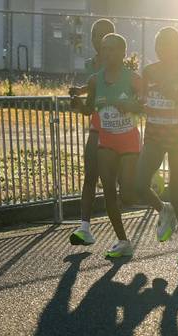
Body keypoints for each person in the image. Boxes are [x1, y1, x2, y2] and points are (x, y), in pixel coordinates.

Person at [134, 27, 178, 263]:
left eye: (170, 45)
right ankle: (163, 210)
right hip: (154, 136)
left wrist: (175, 99)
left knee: (177, 193)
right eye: (161, 45)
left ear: (177, 48)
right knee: (139, 184)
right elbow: (141, 102)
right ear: (156, 48)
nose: (165, 49)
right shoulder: (149, 71)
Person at [83, 33, 144, 259]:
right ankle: (123, 240)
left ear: (123, 53)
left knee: (128, 194)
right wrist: (77, 105)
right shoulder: (94, 80)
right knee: (108, 189)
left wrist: (129, 104)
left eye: (112, 49)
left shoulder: (133, 78)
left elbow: (144, 105)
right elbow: (89, 109)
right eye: (104, 49)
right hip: (106, 140)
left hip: (128, 139)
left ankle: (161, 207)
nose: (107, 53)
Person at [67, 18, 116, 246]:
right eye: (95, 35)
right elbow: (94, 85)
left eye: (103, 35)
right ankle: (84, 228)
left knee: (112, 184)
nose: (98, 40)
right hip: (97, 127)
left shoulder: (120, 64)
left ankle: (123, 237)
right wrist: (81, 92)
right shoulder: (92, 64)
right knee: (90, 176)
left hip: (117, 130)